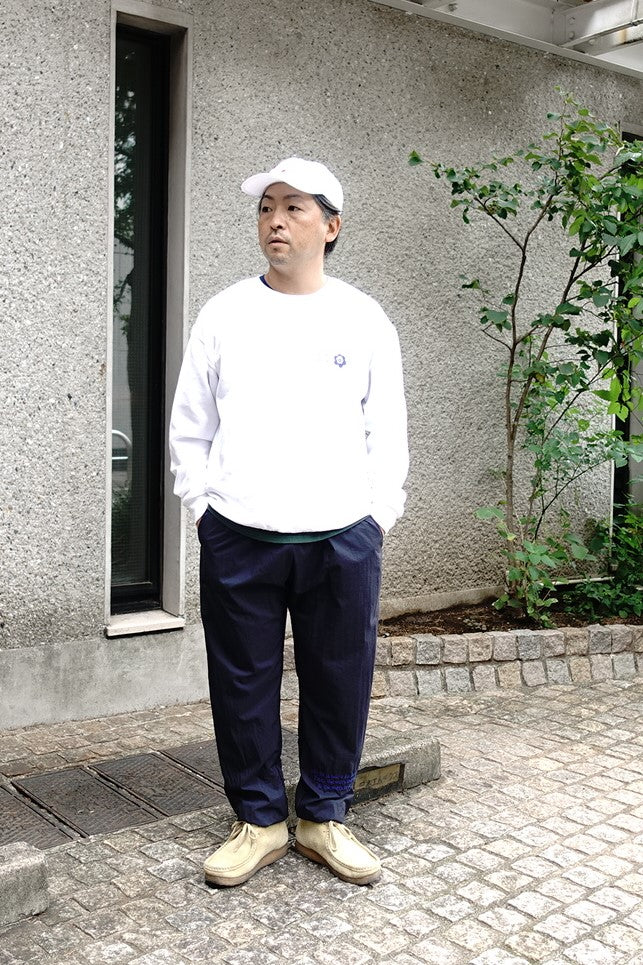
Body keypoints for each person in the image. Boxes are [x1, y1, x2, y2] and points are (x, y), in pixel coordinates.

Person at [169, 156, 408, 888]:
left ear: (330, 226)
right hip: (240, 532)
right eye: (266, 207)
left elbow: (387, 431)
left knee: (340, 678)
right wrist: (204, 509)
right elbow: (190, 425)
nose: (275, 220)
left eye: (294, 207)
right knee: (241, 681)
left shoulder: (362, 318)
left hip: (341, 535)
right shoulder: (225, 314)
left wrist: (376, 517)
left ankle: (323, 816)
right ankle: (259, 820)